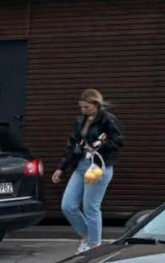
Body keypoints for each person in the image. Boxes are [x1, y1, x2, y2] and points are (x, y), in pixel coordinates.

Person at [52, 89, 124, 254]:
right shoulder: (80, 120)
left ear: (96, 104)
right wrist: (61, 167)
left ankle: (93, 245)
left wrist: (101, 144)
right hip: (81, 165)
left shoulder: (108, 120)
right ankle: (87, 236)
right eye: (81, 107)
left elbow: (119, 140)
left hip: (98, 167)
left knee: (91, 207)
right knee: (67, 205)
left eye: (87, 107)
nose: (83, 110)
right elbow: (72, 145)